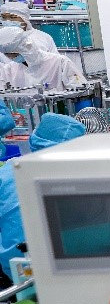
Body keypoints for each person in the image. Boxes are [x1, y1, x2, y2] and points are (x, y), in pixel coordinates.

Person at [0, 111, 86, 284]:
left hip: (11, 271)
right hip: (64, 272)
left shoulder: (7, 173)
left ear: (34, 140)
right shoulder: (79, 180)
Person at [16, 31, 82, 91]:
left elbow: (80, 90)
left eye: (16, 53)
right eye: (11, 54)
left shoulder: (60, 61)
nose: (13, 57)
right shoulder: (12, 68)